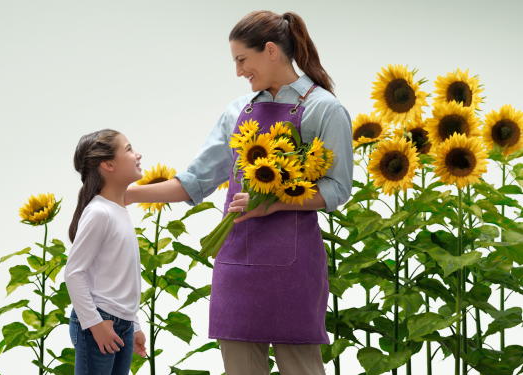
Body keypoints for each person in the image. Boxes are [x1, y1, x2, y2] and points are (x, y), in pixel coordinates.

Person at [124, 10, 353, 375]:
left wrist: (273, 204)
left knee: (301, 368)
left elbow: (338, 189)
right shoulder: (238, 111)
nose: (238, 71)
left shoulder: (323, 108)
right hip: (236, 265)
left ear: (270, 50)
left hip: (292, 267)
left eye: (241, 60)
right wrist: (128, 195)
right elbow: (196, 180)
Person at [64, 129, 148, 375]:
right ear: (108, 164)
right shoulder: (100, 212)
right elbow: (73, 273)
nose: (137, 154)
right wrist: (95, 325)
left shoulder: (118, 210)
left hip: (120, 324)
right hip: (99, 321)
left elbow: (122, 280)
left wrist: (134, 324)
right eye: (129, 149)